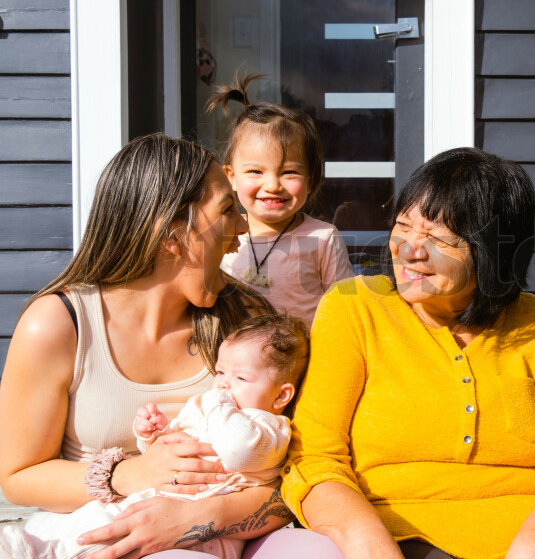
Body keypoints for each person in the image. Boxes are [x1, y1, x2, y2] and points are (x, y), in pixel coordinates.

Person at [0, 133, 334, 558]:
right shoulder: (59, 324)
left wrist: (199, 520)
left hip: (229, 526)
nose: (243, 227)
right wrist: (130, 473)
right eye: (228, 210)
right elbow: (20, 474)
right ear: (172, 235)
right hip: (97, 530)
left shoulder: (247, 322)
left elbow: (298, 471)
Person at [280, 147, 535, 559]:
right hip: (398, 537)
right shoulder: (355, 307)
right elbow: (313, 457)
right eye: (403, 226)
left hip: (528, 540)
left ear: (491, 250)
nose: (409, 250)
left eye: (438, 238)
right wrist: (373, 550)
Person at [1, 313, 308, 559]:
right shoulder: (216, 409)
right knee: (98, 522)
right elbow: (171, 447)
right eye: (220, 372)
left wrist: (217, 402)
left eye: (240, 378)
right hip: (153, 496)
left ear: (282, 396)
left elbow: (236, 450)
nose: (224, 384)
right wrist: (154, 433)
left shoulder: (267, 427)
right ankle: (38, 547)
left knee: (113, 537)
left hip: (203, 534)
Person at [211, 74, 354, 329]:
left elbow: (346, 311)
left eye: (289, 172)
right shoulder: (223, 233)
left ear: (311, 180)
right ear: (230, 177)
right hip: (237, 364)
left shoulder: (323, 238)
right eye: (256, 172)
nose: (273, 185)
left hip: (306, 361)